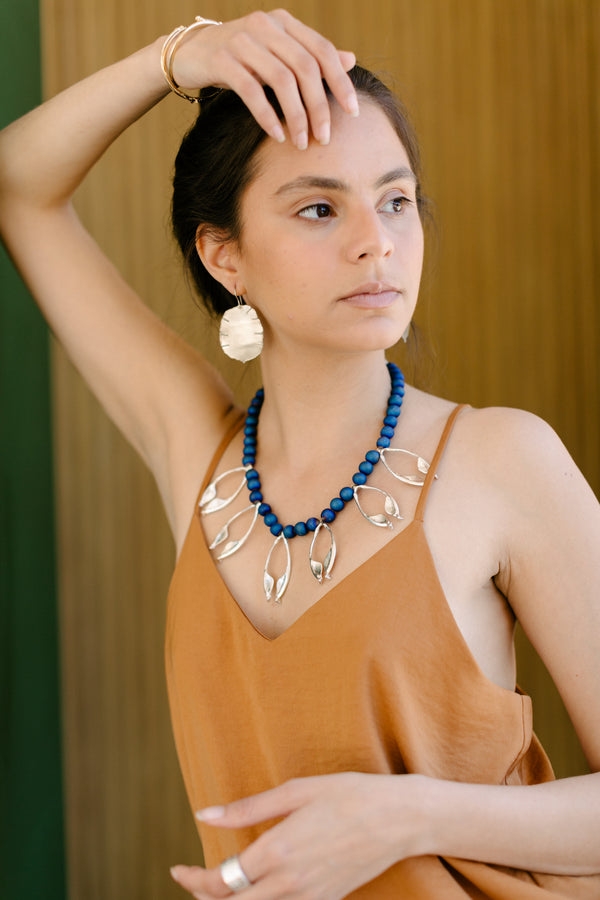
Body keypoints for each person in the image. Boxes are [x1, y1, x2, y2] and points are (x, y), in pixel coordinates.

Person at [1, 9, 599, 899]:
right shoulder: (198, 455)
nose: (376, 240)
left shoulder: (503, 460)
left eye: (396, 200)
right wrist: (179, 53)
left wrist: (406, 816)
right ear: (224, 256)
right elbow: (17, 184)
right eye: (320, 207)